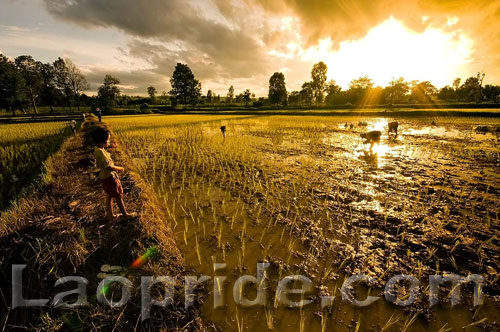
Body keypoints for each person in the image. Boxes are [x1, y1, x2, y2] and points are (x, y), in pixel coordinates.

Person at [92, 127, 136, 221]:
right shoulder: (100, 152)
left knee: (110, 195)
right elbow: (108, 167)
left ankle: (110, 215)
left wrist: (111, 146)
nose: (109, 141)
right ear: (102, 140)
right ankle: (125, 215)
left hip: (105, 177)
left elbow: (103, 153)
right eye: (108, 139)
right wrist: (119, 168)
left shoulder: (98, 149)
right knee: (118, 195)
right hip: (110, 177)